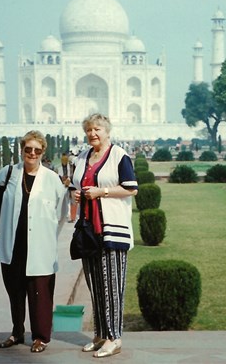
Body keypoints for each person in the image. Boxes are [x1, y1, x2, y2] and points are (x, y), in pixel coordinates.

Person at [0, 130, 68, 354]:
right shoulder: (8, 173)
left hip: (40, 247)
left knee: (40, 295)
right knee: (15, 292)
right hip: (12, 244)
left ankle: (40, 337)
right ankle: (17, 332)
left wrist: (49, 236)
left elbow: (61, 213)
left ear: (42, 152)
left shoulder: (51, 178)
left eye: (37, 150)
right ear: (22, 150)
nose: (32, 153)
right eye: (28, 149)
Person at [71, 113, 138, 358]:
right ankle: (100, 334)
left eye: (97, 129)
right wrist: (78, 195)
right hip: (89, 231)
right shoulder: (83, 157)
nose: (93, 134)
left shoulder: (119, 156)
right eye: (89, 130)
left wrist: (102, 191)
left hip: (112, 230)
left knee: (112, 287)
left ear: (107, 131)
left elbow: (131, 188)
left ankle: (114, 337)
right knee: (95, 286)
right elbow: (75, 185)